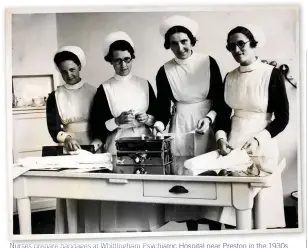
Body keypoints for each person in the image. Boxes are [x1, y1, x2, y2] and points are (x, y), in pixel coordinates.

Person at [207, 26, 289, 229]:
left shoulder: (272, 74)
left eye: (241, 44)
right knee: (234, 210)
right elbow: (224, 115)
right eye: (231, 46)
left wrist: (258, 139)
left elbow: (283, 118)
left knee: (260, 210)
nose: (236, 50)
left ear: (253, 44)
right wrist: (220, 138)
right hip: (234, 142)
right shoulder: (230, 77)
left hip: (262, 142)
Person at [153, 15, 224, 230]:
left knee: (210, 178)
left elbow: (220, 99)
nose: (180, 47)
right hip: (181, 124)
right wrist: (158, 125)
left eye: (184, 41)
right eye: (174, 43)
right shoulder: (164, 70)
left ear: (192, 40)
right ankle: (192, 232)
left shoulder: (208, 62)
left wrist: (209, 118)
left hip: (207, 121)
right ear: (168, 45)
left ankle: (215, 233)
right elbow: (163, 107)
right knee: (186, 181)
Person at [89, 31, 164, 232]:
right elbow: (97, 125)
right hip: (118, 145)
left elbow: (157, 116)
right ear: (111, 62)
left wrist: (148, 119)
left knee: (143, 193)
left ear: (133, 58)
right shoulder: (105, 88)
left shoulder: (144, 84)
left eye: (127, 60)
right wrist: (116, 121)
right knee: (121, 193)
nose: (123, 65)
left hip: (144, 143)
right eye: (118, 61)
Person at [46, 46, 102, 233]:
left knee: (92, 190)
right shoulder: (56, 96)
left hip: (92, 143)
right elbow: (53, 127)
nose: (69, 75)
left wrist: (96, 144)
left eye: (72, 69)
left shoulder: (94, 92)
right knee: (70, 191)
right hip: (68, 146)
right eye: (64, 71)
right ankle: (71, 233)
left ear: (79, 67)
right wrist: (66, 138)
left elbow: (101, 123)